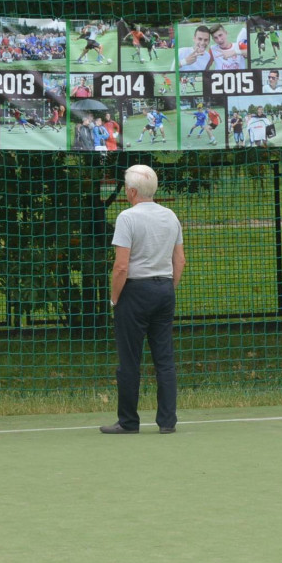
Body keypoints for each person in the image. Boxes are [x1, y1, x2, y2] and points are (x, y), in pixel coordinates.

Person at [102, 164, 185, 435]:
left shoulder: (127, 218)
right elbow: (179, 260)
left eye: (127, 188)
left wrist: (115, 299)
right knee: (164, 358)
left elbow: (121, 267)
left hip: (135, 292)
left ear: (133, 191)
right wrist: (168, 288)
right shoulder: (170, 216)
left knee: (129, 360)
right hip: (164, 290)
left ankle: (128, 422)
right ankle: (167, 422)